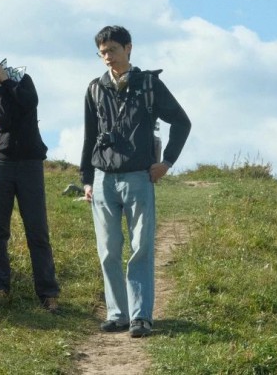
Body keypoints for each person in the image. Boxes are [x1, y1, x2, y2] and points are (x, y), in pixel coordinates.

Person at [80, 26, 191, 337]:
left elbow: (182, 122)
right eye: (102, 52)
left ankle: (141, 317)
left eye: (113, 50)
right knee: (108, 250)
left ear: (128, 48)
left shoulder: (149, 85)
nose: (107, 57)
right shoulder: (95, 88)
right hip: (102, 179)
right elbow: (89, 136)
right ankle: (118, 314)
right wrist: (86, 179)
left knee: (140, 247)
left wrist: (166, 162)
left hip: (139, 177)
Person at [0, 56, 60, 312]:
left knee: (37, 230)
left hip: (30, 164)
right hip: (1, 165)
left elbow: (30, 102)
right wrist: (3, 89)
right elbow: (3, 120)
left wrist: (7, 83)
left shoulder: (23, 80)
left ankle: (48, 294)